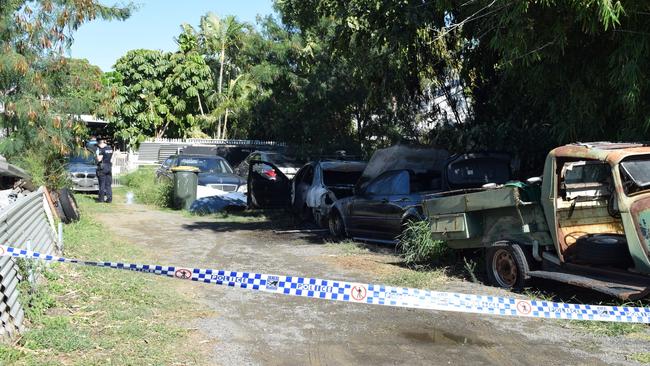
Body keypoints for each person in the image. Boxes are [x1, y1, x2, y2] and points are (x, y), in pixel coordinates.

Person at [96, 138, 114, 203]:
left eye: (98, 144)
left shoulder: (101, 150)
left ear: (100, 143)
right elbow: (112, 158)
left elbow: (99, 159)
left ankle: (101, 199)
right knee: (108, 184)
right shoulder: (110, 148)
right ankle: (109, 199)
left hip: (102, 168)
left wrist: (97, 154)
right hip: (109, 167)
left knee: (102, 184)